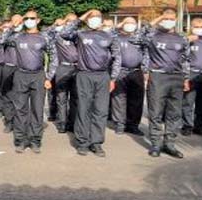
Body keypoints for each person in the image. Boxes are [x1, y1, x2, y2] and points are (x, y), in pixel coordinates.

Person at [58, 10, 121, 156]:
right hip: (84, 75)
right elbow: (64, 33)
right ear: (87, 20)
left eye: (97, 17)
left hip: (102, 76)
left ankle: (96, 143)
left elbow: (117, 57)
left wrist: (113, 78)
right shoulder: (80, 35)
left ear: (101, 19)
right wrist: (82, 18)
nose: (94, 19)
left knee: (100, 110)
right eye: (92, 17)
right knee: (83, 108)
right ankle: (82, 142)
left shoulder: (110, 36)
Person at [0, 11, 58, 153]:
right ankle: (20, 140)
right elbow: (0, 41)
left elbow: (54, 57)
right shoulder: (17, 37)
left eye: (32, 18)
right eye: (27, 18)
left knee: (37, 110)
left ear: (38, 20)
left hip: (38, 76)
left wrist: (49, 77)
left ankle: (35, 140)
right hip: (20, 75)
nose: (29, 20)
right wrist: (12, 25)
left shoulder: (45, 37)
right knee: (20, 110)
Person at [137, 10, 190, 158]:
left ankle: (170, 144)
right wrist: (157, 19)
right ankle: (155, 144)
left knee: (174, 113)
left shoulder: (182, 38)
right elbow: (136, 36)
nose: (168, 21)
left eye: (171, 18)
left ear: (176, 19)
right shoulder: (152, 36)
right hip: (158, 76)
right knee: (156, 112)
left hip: (177, 77)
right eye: (165, 18)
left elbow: (185, 60)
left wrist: (186, 78)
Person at [111, 17, 145, 136]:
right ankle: (120, 124)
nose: (130, 25)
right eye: (128, 23)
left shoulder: (140, 38)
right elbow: (107, 32)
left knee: (136, 99)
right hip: (120, 71)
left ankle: (133, 125)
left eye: (133, 23)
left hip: (136, 71)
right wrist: (119, 26)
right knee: (119, 99)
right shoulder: (115, 37)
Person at [0, 16, 21, 132]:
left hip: (13, 66)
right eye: (4, 27)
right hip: (1, 64)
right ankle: (0, 110)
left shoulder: (16, 36)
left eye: (9, 26)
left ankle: (16, 118)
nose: (7, 29)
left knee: (15, 92)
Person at [50, 13, 79, 134]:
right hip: (63, 68)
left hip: (77, 69)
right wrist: (56, 24)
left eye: (73, 21)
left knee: (75, 98)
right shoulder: (58, 35)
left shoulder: (79, 34)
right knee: (61, 98)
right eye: (68, 21)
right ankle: (62, 123)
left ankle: (72, 124)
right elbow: (47, 33)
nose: (71, 23)